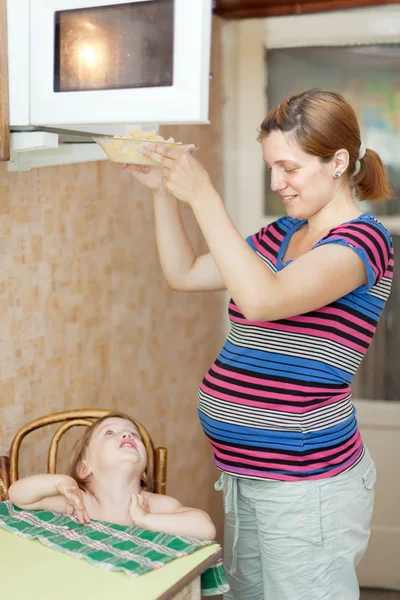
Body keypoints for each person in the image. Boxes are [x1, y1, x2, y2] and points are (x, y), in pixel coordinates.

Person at [122, 88, 394, 599]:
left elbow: (262, 300)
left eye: (288, 168)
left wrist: (204, 195)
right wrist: (163, 191)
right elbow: (183, 273)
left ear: (337, 162)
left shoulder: (363, 242)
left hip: (307, 483)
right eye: (271, 168)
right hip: (245, 474)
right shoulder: (282, 234)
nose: (277, 184)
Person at [8, 412, 216, 540]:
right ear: (84, 469)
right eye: (109, 433)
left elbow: (205, 528)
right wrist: (59, 481)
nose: (126, 435)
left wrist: (146, 519)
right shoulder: (80, 505)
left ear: (144, 472)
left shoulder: (152, 505)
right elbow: (17, 495)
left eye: (134, 434)